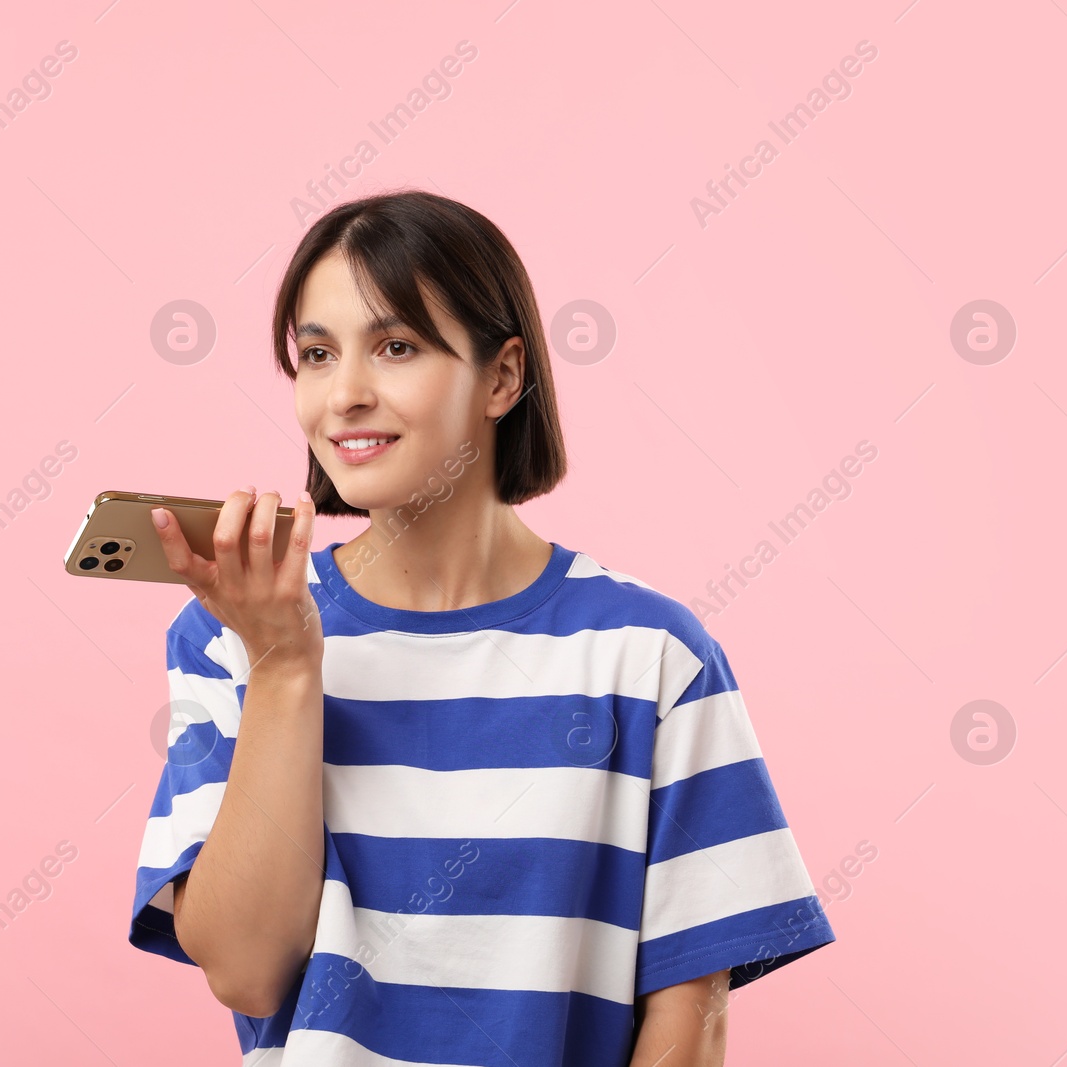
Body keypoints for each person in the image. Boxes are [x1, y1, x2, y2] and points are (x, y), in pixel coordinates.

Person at [128, 190, 835, 1065]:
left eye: (395, 346)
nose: (344, 394)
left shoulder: (651, 657)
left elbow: (691, 1007)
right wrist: (283, 664)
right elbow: (246, 971)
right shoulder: (228, 634)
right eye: (315, 354)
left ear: (502, 377)